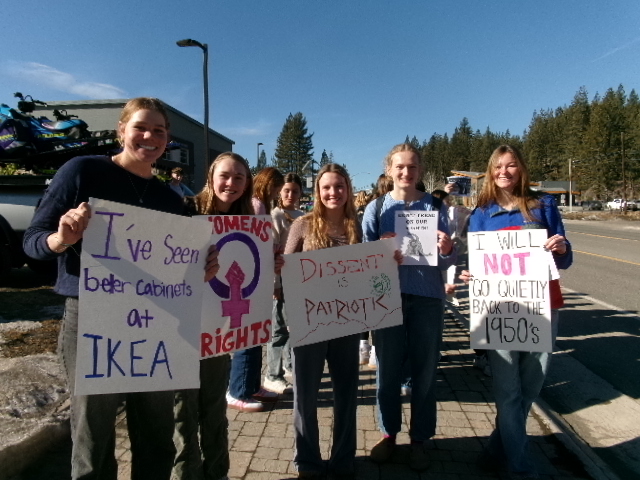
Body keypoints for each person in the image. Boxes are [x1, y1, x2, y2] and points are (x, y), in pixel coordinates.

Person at [22, 97, 219, 480]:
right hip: (93, 319)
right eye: (141, 127)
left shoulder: (170, 199)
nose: (149, 137)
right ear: (121, 131)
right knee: (93, 437)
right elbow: (33, 240)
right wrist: (60, 239)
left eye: (159, 131)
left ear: (168, 140)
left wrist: (202, 271)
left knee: (156, 436)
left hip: (157, 323)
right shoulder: (81, 172)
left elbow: (174, 269)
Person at [460, 145, 572, 478]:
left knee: (530, 388)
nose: (504, 172)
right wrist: (469, 273)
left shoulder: (544, 205)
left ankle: (496, 452)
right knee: (508, 392)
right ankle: (519, 468)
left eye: (510, 166)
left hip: (542, 306)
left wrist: (562, 247)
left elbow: (564, 259)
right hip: (499, 312)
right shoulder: (481, 212)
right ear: (490, 172)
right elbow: (475, 262)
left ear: (521, 169)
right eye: (498, 167)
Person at [362, 143, 455, 472]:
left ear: (420, 171)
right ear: (389, 170)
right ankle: (388, 434)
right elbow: (365, 257)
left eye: (412, 167)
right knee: (387, 372)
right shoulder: (376, 208)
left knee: (425, 372)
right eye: (399, 167)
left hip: (427, 298)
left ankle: (420, 439)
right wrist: (380, 253)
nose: (406, 172)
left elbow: (450, 258)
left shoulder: (435, 206)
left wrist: (446, 248)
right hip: (387, 297)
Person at [173, 152, 254, 480]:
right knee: (183, 413)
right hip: (181, 327)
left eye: (239, 178)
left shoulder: (247, 222)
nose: (231, 184)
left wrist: (271, 268)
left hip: (218, 330)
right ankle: (187, 474)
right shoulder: (186, 210)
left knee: (214, 410)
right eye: (225, 176)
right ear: (211, 177)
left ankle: (217, 472)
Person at [284, 164, 362, 479]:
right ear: (317, 191)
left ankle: (343, 458)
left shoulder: (358, 227)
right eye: (326, 187)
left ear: (348, 189)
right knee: (305, 395)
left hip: (348, 323)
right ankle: (308, 461)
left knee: (346, 393)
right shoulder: (301, 225)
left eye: (339, 186)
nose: (333, 193)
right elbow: (285, 271)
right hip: (309, 322)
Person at [226, 166, 285, 411]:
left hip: (252, 277)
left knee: (254, 334)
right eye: (276, 188)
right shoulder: (257, 205)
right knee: (247, 336)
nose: (277, 193)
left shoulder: (257, 204)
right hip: (249, 279)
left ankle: (249, 385)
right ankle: (238, 390)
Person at [263, 173, 305, 394]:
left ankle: (289, 367)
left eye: (295, 191)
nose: (290, 195)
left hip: (299, 282)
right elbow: (272, 255)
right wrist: (275, 285)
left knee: (294, 327)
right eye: (286, 190)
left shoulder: (303, 216)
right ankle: (272, 375)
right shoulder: (274, 217)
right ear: (280, 192)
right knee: (278, 330)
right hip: (281, 282)